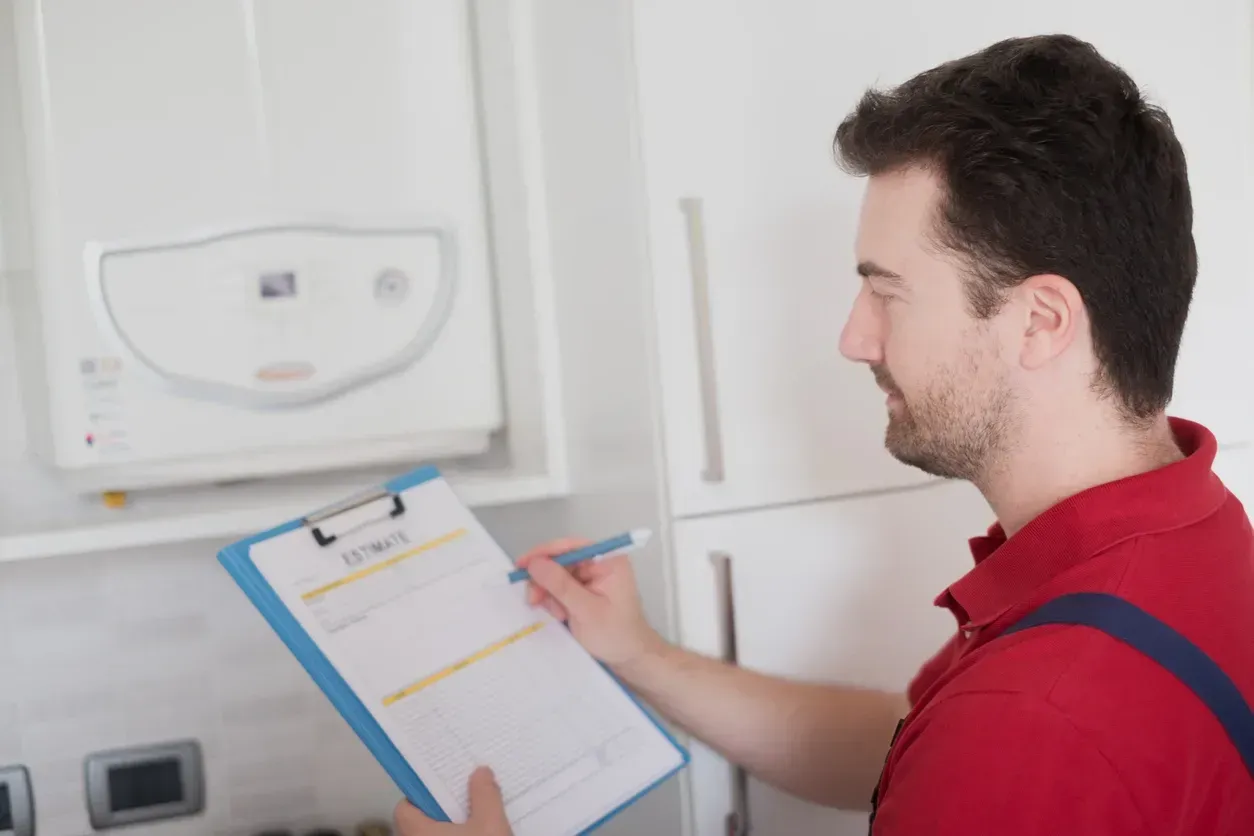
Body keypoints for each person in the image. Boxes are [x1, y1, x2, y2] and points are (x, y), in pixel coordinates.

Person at [394, 32, 1254, 836]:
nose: (854, 338)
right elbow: (906, 740)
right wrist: (641, 655)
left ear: (1038, 321)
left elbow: (986, 742)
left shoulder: (1028, 720)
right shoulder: (1195, 536)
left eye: (887, 292)